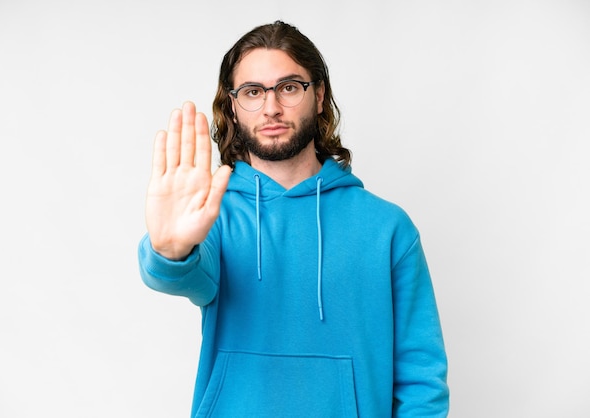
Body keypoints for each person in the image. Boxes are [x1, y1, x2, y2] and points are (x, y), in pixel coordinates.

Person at [138, 20, 449, 417]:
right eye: (253, 92)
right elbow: (177, 274)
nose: (271, 107)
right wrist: (168, 250)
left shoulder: (387, 228)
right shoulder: (213, 216)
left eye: (288, 87)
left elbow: (421, 378)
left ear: (318, 95)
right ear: (233, 105)